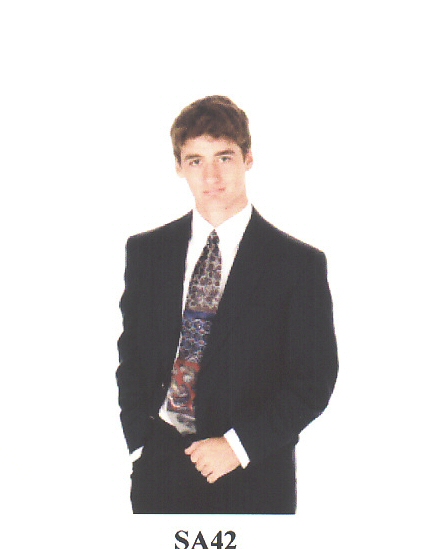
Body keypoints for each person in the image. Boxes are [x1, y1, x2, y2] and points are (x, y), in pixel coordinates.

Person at [116, 95, 338, 514]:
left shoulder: (296, 263)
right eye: (195, 160)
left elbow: (314, 380)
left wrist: (239, 446)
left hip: (252, 475)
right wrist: (140, 442)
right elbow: (133, 354)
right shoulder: (148, 251)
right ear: (179, 167)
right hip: (159, 470)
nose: (211, 175)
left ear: (248, 158)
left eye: (224, 157)